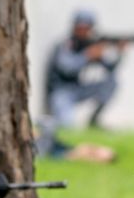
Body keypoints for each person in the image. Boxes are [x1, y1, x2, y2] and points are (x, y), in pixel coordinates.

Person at [36, 10, 119, 162]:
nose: (83, 31)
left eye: (86, 28)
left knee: (111, 83)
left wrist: (118, 53)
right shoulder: (65, 45)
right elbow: (67, 67)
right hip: (61, 93)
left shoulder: (90, 44)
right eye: (80, 27)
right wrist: (87, 55)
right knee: (67, 126)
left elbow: (110, 68)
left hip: (78, 89)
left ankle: (94, 120)